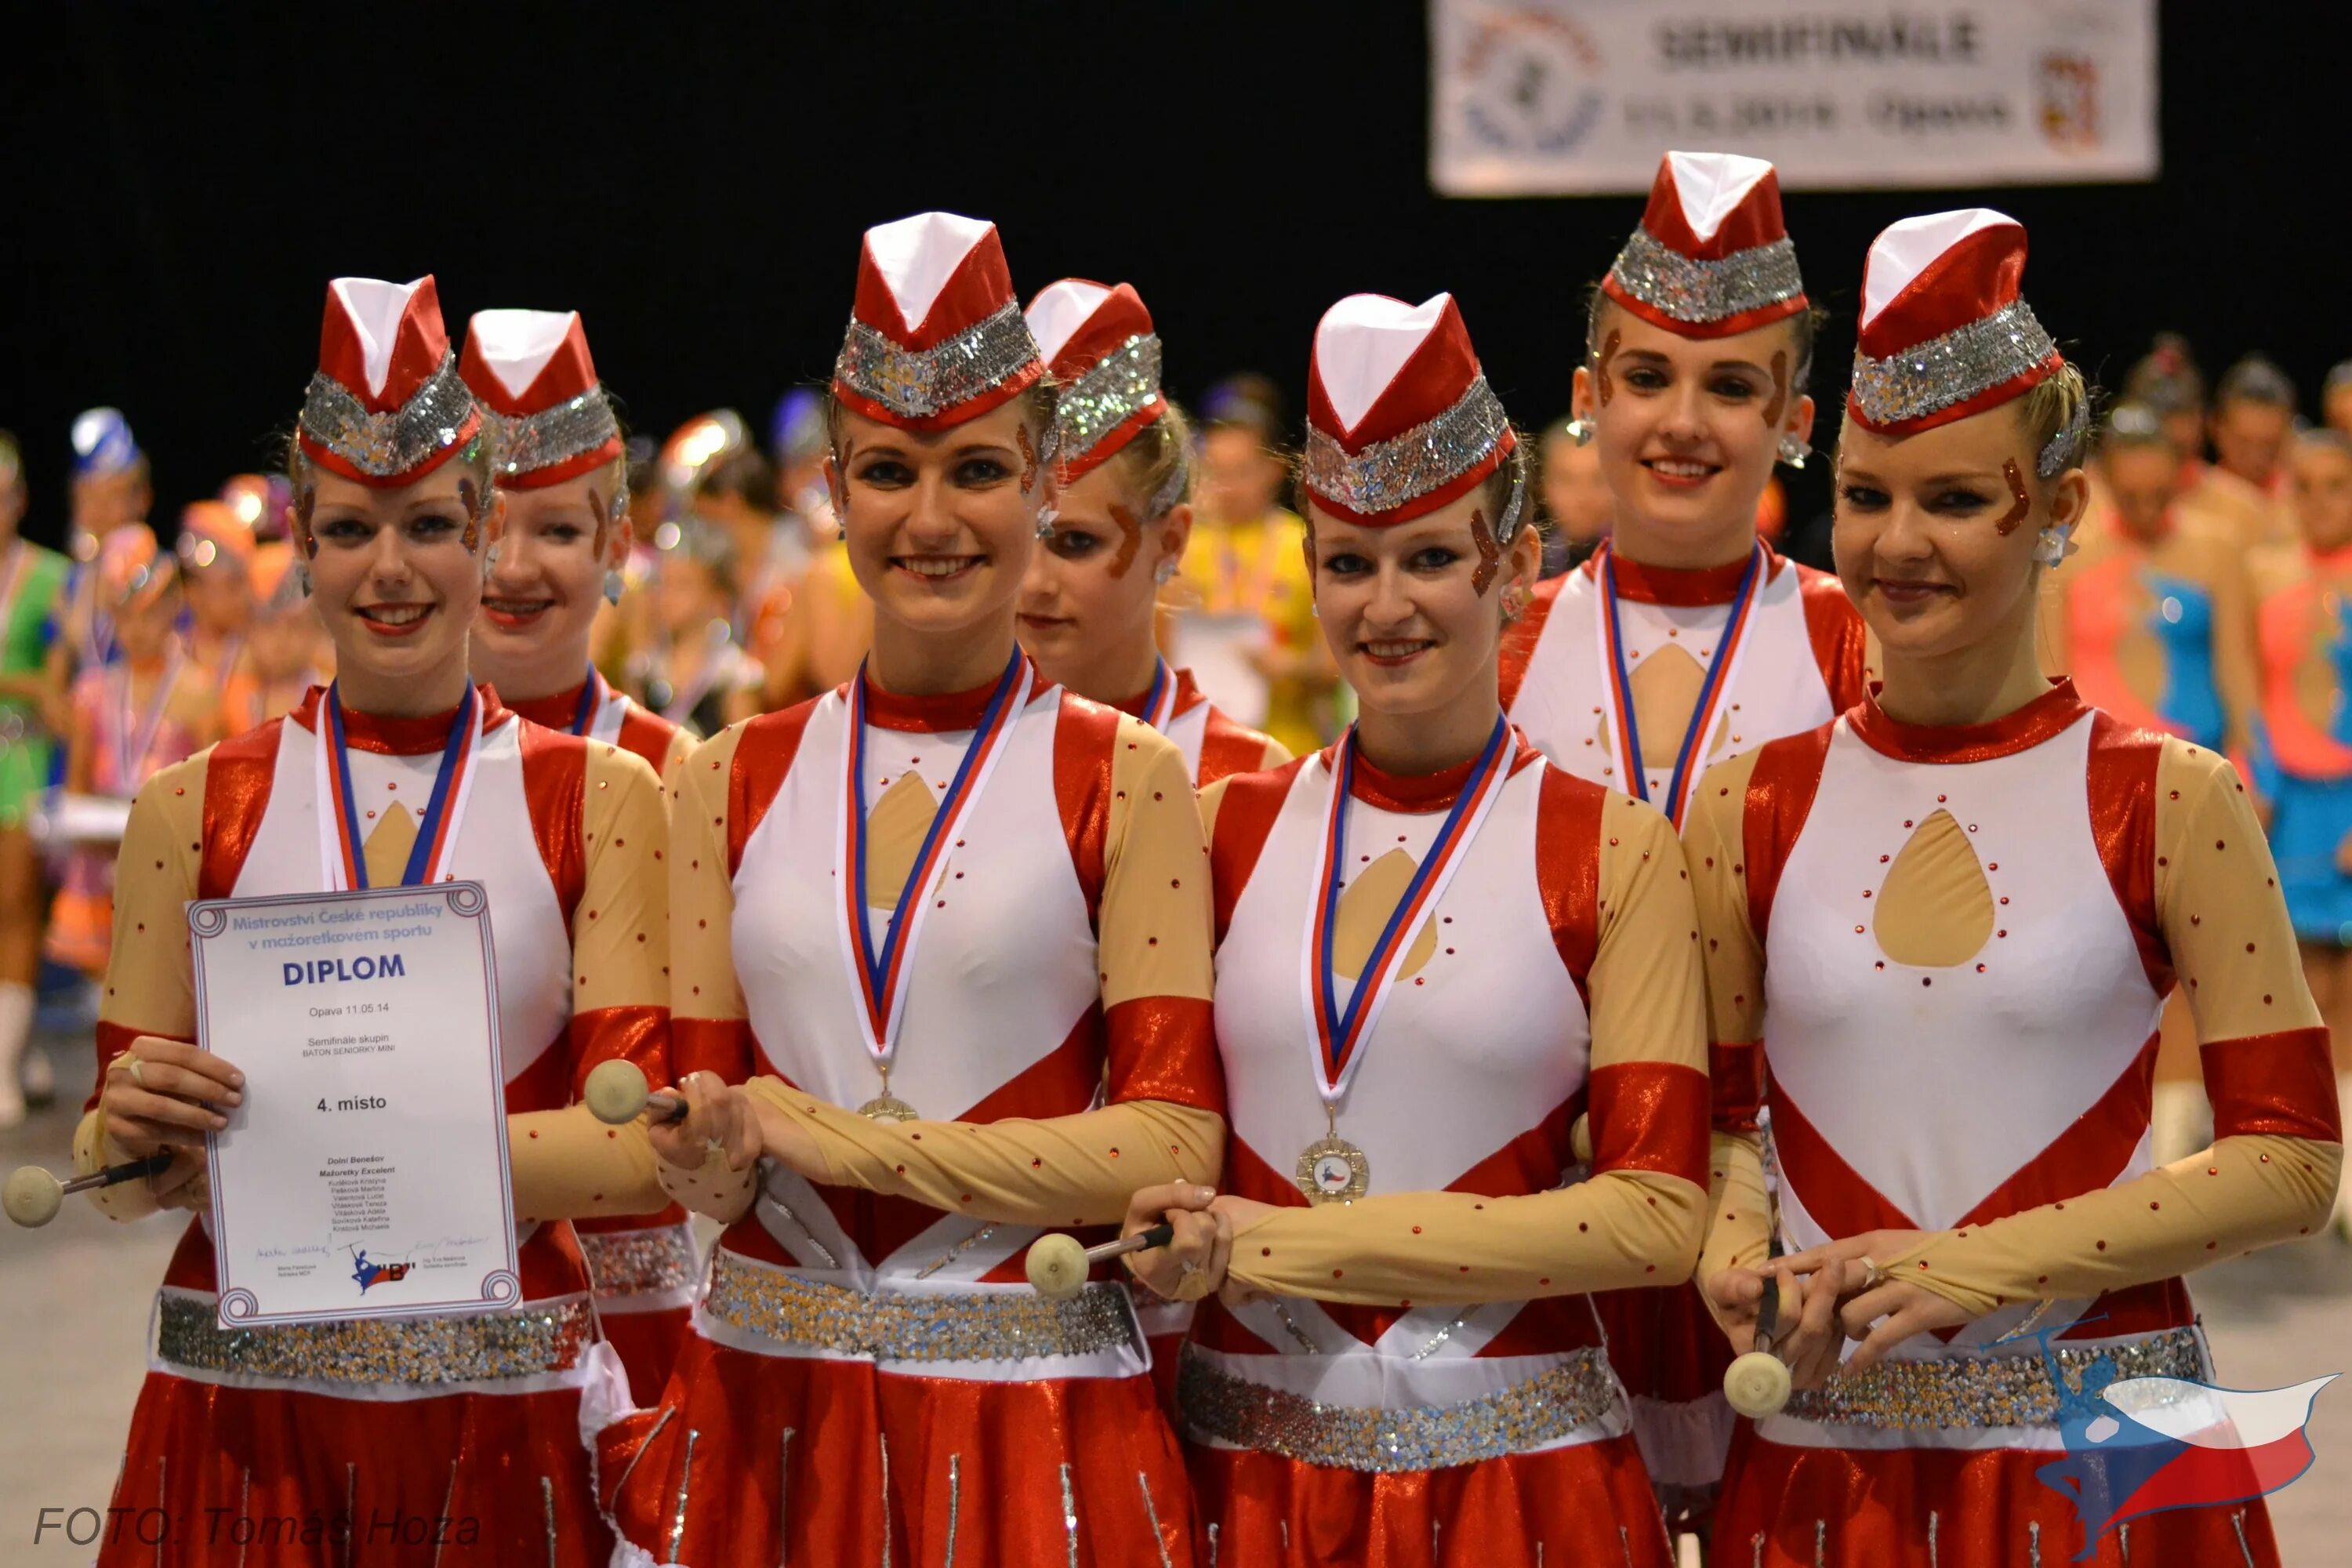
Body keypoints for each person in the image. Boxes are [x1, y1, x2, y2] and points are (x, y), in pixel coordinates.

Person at [1692, 209, 2342, 1567]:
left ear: (2058, 510)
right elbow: (1724, 1116)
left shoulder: (2171, 795)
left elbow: (2290, 1159)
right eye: (1867, 497)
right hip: (1826, 1457)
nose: (1898, 541)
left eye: (1957, 499)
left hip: (2115, 1461)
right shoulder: (1750, 800)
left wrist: (1964, 1267)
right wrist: (1734, 1244)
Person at [597, 211, 1221, 1567]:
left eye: (977, 470)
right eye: (889, 471)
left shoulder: (1131, 774)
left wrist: (830, 1139)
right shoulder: (726, 777)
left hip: (1035, 1432)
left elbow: (1174, 1144)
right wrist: (703, 1148)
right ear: (833, 488)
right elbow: (709, 1151)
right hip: (765, 1416)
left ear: (1041, 482)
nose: (931, 518)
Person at [72, 275, 671, 1566]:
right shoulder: (191, 807)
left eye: (429, 526)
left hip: (497, 1409)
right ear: (304, 548)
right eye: (350, 530)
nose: (391, 567)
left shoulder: (605, 800)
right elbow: (118, 1153)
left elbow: (637, 1154)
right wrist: (136, 1138)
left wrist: (322, 1163)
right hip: (243, 1412)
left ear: (481, 532)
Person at [1123, 290, 1707, 1566]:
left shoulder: (1612, 850)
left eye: (1432, 558)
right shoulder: (1219, 831)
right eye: (1349, 562)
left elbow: (1658, 1217)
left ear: (1517, 567)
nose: (1387, 605)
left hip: (1526, 1498)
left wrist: (1277, 1241)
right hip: (1247, 1496)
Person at [1497, 149, 1871, 1519]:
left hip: (1795, 1239)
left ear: (1798, 420)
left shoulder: (1860, 646)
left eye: (1731, 386)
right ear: (1589, 402)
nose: (1683, 421)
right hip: (1558, 1219)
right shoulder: (1501, 644)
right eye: (1647, 378)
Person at [459, 304, 702, 1402]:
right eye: (479, 525)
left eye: (557, 531)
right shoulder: (335, 771)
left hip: (638, 1324)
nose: (513, 567)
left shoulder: (688, 773)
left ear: (616, 548)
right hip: (409, 1291)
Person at [1018, 276, 1289, 785]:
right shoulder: (933, 755)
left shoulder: (1247, 781)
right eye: (1014, 538)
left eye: (1076, 542)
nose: (1033, 583)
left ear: (1171, 542)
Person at [2249, 427, 2352, 1237]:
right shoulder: (2267, 578)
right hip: (2295, 807)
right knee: (2307, 990)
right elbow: (2254, 688)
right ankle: (2320, 1166)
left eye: (2337, 485)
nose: (2320, 502)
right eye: (2306, 484)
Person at [45, 526, 215, 981]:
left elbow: (213, 790)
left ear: (172, 607)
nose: (136, 630)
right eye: (123, 618)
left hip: (171, 861)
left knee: (165, 986)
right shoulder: (94, 693)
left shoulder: (196, 691)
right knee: (105, 997)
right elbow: (78, 782)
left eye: (147, 615)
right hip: (102, 864)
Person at [2050, 402, 2252, 759]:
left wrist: (2254, 768)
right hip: (2097, 762)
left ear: (2179, 475)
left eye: (2159, 496)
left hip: (2196, 761)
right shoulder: (2068, 555)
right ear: (2102, 480)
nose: (2146, 511)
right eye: (2131, 498)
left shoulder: (2217, 550)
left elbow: (2239, 672)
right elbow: (2051, 677)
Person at [1170, 372, 1334, 754]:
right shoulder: (1180, 543)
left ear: (1273, 470)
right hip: (1195, 748)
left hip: (1287, 748)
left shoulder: (1305, 545)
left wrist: (1290, 667)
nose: (1226, 488)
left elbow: (1334, 665)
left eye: (1240, 473)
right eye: (1215, 472)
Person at [0, 433, 71, 1124]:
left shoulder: (52, 576)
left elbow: (57, 689)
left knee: (18, 904)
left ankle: (5, 1071)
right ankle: (16, 1051)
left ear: (18, 500)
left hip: (21, 761)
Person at [2186, 354, 2300, 552]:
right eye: (2244, 443)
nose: (2256, 456)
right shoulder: (2189, 500)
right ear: (2216, 428)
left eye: (2269, 445)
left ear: (2289, 432)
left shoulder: (2305, 502)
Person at [220, 541, 328, 731]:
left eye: (295, 625)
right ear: (248, 627)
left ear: (316, 627)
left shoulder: (334, 701)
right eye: (268, 624)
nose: (282, 639)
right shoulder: (228, 699)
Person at [174, 498, 261, 709]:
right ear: (193, 592)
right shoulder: (171, 656)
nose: (247, 597)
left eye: (247, 583)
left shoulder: (262, 657)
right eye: (233, 585)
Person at [1537, 412, 1613, 574]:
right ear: (1544, 487)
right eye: (1566, 480)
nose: (1583, 498)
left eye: (1598, 480)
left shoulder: (1645, 566)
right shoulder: (1527, 571)